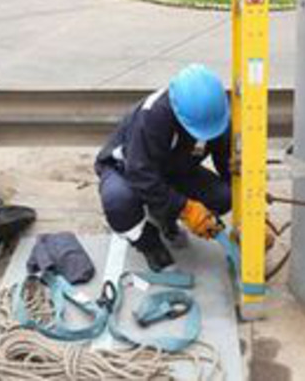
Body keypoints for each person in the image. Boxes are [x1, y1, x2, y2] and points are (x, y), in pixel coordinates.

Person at [96, 65, 233, 271]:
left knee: (224, 196)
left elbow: (227, 164)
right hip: (127, 170)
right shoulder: (152, 116)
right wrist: (186, 208)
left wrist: (252, 209)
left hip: (173, 169)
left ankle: (164, 218)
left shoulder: (215, 116)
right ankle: (148, 242)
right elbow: (140, 173)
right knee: (119, 202)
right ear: (177, 112)